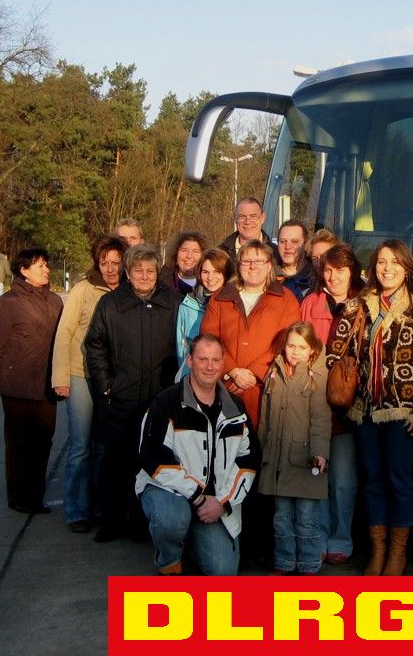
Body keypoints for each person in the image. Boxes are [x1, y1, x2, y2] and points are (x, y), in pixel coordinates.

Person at [326, 239, 413, 576]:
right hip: (365, 410)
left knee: (399, 480)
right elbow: (336, 350)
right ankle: (377, 551)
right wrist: (342, 374)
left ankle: (397, 553)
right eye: (381, 262)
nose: (387, 268)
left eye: (394, 262)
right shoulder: (359, 304)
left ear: (406, 267)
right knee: (373, 481)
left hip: (403, 410)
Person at [136, 334, 259, 575]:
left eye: (215, 360)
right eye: (203, 359)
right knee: (172, 519)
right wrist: (198, 498)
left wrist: (222, 503)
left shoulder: (235, 408)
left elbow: (248, 462)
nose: (209, 367)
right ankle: (169, 560)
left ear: (222, 363)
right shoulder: (166, 402)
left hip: (214, 501)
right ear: (190, 361)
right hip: (169, 491)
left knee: (223, 573)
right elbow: (153, 459)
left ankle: (191, 540)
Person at [84, 242, 178, 542]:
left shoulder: (172, 302)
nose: (145, 276)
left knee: (151, 464)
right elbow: (95, 346)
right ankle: (111, 522)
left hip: (159, 399)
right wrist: (106, 386)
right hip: (121, 397)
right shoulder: (110, 304)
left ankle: (141, 525)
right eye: (139, 270)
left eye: (150, 270)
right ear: (128, 272)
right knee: (114, 463)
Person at [0, 248, 64, 515]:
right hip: (17, 386)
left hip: (47, 386)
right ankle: (18, 497)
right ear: (24, 271)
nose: (46, 270)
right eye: (40, 266)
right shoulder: (8, 303)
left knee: (43, 443)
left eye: (46, 265)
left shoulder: (55, 302)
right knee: (19, 445)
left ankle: (35, 496)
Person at [50, 234, 126, 533]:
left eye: (116, 263)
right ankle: (76, 510)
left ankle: (98, 506)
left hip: (111, 377)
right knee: (80, 445)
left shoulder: (127, 290)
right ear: (97, 263)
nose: (111, 269)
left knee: (102, 446)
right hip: (80, 374)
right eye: (105, 263)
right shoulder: (83, 289)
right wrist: (60, 378)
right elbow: (64, 333)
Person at [300, 242, 364, 565]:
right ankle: (320, 536)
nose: (333, 276)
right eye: (328, 270)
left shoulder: (364, 303)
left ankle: (341, 537)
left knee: (343, 479)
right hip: (315, 401)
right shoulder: (311, 302)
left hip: (348, 403)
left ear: (352, 271)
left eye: (340, 270)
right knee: (317, 475)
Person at [201, 239, 300, 428]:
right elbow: (208, 339)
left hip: (266, 389)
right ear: (239, 266)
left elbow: (287, 342)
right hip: (224, 387)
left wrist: (254, 372)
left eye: (259, 261)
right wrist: (232, 370)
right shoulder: (220, 297)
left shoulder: (285, 299)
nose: (252, 266)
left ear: (269, 266)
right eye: (246, 261)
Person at [258, 322, 331, 574]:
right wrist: (263, 447)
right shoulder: (275, 371)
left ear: (312, 350)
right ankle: (285, 561)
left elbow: (320, 418)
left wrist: (320, 452)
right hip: (278, 459)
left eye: (301, 347)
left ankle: (309, 563)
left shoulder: (316, 376)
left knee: (307, 518)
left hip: (306, 459)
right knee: (281, 517)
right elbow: (265, 416)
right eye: (291, 346)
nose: (295, 351)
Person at [175, 248, 234, 381]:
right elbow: (181, 349)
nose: (210, 278)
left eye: (217, 272)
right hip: (195, 378)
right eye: (205, 272)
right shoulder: (187, 305)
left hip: (228, 377)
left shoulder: (235, 304)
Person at [276, 219, 313, 301]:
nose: (287, 246)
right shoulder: (268, 275)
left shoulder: (316, 277)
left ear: (305, 244)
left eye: (294, 241)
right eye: (282, 241)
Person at [164, 231, 209, 298]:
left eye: (195, 251)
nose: (189, 256)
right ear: (176, 253)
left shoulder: (212, 284)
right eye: (184, 250)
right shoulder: (162, 284)